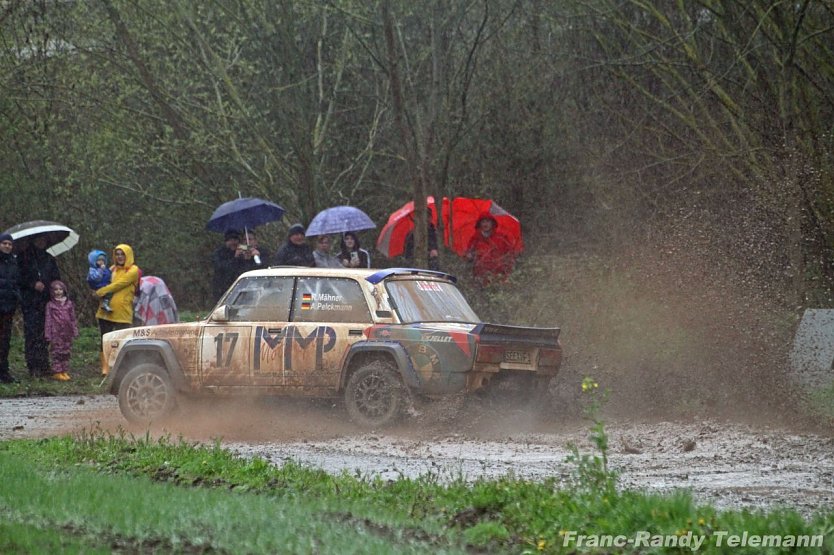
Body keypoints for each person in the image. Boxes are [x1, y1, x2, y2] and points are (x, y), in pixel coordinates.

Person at [93, 244, 140, 374]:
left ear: (128, 255)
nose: (119, 257)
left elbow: (119, 285)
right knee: (104, 339)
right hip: (105, 311)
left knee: (122, 340)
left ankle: (122, 368)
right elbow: (102, 280)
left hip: (123, 311)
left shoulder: (133, 270)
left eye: (122, 254)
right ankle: (105, 368)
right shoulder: (111, 268)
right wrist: (95, 286)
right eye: (117, 254)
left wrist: (101, 291)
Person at [19, 234, 61, 377]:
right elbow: (19, 278)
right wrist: (33, 284)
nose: (42, 242)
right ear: (34, 240)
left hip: (46, 301)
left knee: (45, 334)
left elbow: (56, 277)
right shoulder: (24, 257)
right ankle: (33, 366)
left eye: (44, 240)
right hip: (30, 302)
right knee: (31, 334)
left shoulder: (50, 258)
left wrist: (53, 287)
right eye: (39, 239)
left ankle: (44, 364)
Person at [465, 214, 516, 286]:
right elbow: (469, 255)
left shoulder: (501, 237)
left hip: (498, 276)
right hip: (480, 277)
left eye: (488, 221)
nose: (485, 224)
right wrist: (469, 256)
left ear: (492, 223)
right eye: (483, 221)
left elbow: (509, 256)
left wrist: (507, 274)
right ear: (479, 224)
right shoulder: (475, 239)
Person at [44, 280, 78, 381]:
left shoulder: (69, 303)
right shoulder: (50, 305)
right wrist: (48, 334)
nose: (58, 292)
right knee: (56, 352)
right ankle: (57, 371)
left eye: (60, 289)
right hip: (56, 332)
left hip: (67, 332)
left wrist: (74, 330)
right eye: (56, 290)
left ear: (64, 290)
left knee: (66, 351)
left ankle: (64, 370)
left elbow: (72, 318)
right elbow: (48, 319)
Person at [0, 233, 20, 383]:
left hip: (8, 307)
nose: (7, 246)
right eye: (4, 243)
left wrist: (16, 296)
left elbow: (16, 282)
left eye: (9, 244)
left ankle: (4, 372)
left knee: (5, 341)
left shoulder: (14, 262)